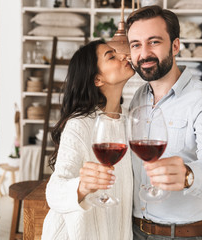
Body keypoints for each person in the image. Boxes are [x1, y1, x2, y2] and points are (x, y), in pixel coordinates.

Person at [126, 6, 202, 240]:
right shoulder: (137, 98)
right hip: (133, 230)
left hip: (182, 235)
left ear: (175, 46)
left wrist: (190, 175)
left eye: (153, 42)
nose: (144, 53)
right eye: (135, 44)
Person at [41, 40, 135, 240]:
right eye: (112, 56)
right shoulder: (80, 124)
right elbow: (54, 192)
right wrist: (82, 186)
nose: (124, 56)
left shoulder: (130, 121)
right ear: (97, 79)